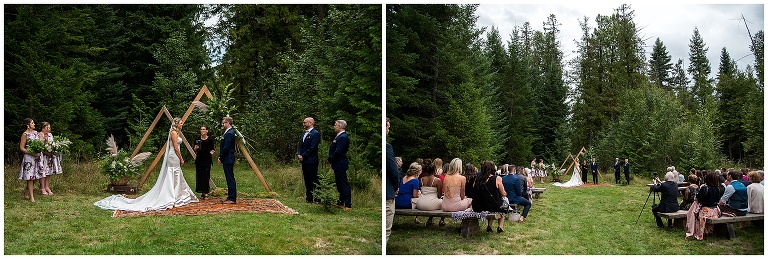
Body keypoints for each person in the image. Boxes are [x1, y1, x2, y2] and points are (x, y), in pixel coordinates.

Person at [94, 118, 199, 211]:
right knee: (173, 173)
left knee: (176, 173)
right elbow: (175, 148)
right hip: (174, 156)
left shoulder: (176, 132)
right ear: (176, 124)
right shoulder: (174, 133)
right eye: (181, 123)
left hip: (174, 156)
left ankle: (176, 194)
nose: (182, 124)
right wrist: (181, 159)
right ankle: (171, 194)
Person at [686, 171, 724, 240]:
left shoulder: (705, 188)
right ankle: (708, 230)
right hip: (715, 210)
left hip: (705, 211)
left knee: (695, 214)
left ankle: (698, 231)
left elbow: (696, 198)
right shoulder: (718, 189)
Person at [472, 161, 507, 233]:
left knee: (489, 202)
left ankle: (490, 226)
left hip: (478, 206)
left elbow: (474, 190)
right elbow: (503, 193)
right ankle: (500, 226)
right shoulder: (497, 178)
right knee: (504, 202)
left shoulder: (477, 179)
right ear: (493, 169)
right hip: (492, 206)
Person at [18, 118, 43, 202]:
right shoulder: (25, 134)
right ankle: (32, 196)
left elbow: (40, 143)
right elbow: (22, 147)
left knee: (35, 177)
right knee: (30, 177)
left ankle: (26, 190)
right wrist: (31, 153)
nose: (34, 124)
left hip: (37, 157)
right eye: (32, 123)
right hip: (29, 158)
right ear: (28, 125)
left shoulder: (36, 133)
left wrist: (41, 140)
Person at [328, 120, 351, 210]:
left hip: (340, 162)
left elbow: (339, 151)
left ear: (340, 126)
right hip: (337, 163)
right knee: (339, 183)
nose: (334, 126)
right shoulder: (339, 136)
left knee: (343, 183)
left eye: (335, 125)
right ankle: (341, 202)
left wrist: (331, 158)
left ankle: (348, 204)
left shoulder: (343, 137)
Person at [297, 117, 321, 203]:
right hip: (304, 160)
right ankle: (309, 197)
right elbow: (301, 145)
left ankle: (318, 198)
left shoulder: (315, 133)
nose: (303, 124)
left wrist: (303, 155)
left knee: (313, 179)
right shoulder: (304, 133)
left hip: (311, 160)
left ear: (310, 123)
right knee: (307, 179)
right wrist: (299, 154)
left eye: (305, 122)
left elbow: (313, 147)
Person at [416, 159, 444, 226]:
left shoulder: (421, 179)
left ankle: (430, 220)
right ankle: (442, 220)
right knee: (444, 202)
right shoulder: (437, 180)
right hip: (431, 204)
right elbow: (439, 195)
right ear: (434, 170)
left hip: (420, 203)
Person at [385, 118, 400, 242]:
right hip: (388, 191)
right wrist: (396, 186)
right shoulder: (386, 146)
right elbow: (393, 171)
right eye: (388, 127)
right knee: (386, 229)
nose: (388, 130)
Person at [218, 116, 237, 204]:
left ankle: (232, 198)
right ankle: (230, 196)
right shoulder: (228, 132)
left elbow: (226, 147)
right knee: (228, 178)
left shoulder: (229, 133)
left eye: (224, 123)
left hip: (228, 158)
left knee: (230, 178)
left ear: (228, 123)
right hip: (227, 158)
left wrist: (221, 157)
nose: (223, 124)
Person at [38, 122, 61, 195]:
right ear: (43, 128)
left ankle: (47, 186)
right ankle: (42, 188)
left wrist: (53, 149)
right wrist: (46, 150)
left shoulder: (50, 135)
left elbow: (53, 144)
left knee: (49, 171)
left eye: (49, 128)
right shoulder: (40, 134)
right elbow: (40, 146)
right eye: (47, 128)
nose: (48, 129)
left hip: (49, 156)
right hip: (43, 156)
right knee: (43, 172)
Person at [194, 125, 215, 199]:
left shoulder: (210, 140)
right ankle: (201, 191)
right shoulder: (197, 139)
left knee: (206, 175)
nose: (202, 131)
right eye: (201, 129)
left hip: (207, 159)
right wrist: (195, 148)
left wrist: (212, 152)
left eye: (204, 129)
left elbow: (212, 149)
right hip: (199, 159)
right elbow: (195, 148)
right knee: (200, 175)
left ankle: (206, 192)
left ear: (207, 131)